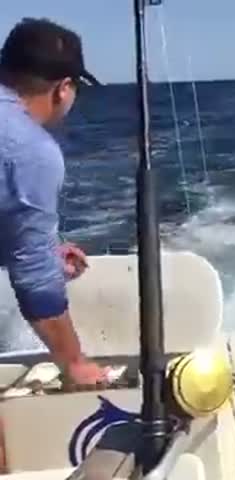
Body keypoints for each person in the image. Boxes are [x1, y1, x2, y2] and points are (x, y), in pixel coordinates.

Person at [0, 17, 108, 386]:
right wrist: (75, 363)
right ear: (63, 89)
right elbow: (35, 282)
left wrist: (43, 250)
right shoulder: (30, 151)